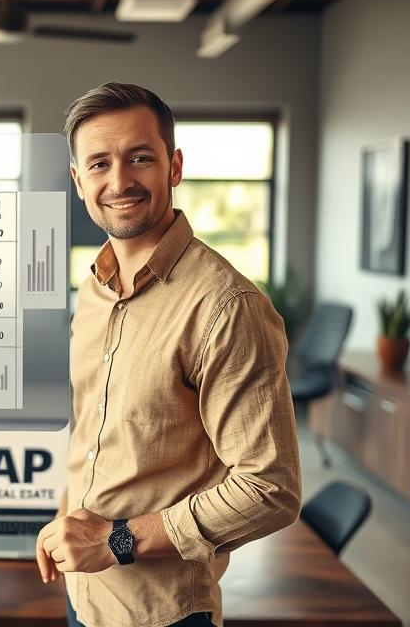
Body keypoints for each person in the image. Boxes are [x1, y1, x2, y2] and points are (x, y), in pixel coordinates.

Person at [36, 82, 302, 627]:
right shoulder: (92, 289)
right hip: (83, 595)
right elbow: (91, 430)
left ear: (173, 166)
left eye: (140, 158)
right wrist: (64, 519)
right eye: (99, 164)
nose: (119, 181)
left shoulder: (227, 306)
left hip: (163, 614)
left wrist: (116, 541)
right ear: (77, 181)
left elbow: (270, 489)